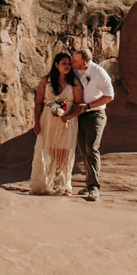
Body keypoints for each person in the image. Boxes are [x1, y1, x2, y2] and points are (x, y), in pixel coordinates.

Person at [30, 50, 80, 196]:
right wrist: (36, 122)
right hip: (48, 120)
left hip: (66, 121)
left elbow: (78, 103)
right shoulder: (47, 81)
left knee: (63, 152)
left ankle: (62, 184)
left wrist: (69, 116)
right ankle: (48, 182)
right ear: (56, 65)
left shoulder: (74, 83)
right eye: (63, 63)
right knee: (49, 150)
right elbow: (39, 102)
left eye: (69, 64)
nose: (67, 66)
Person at [69, 45, 114, 201]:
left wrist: (88, 106)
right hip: (79, 115)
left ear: (84, 63)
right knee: (83, 149)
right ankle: (88, 184)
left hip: (95, 114)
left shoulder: (99, 74)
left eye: (75, 60)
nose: (71, 62)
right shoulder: (73, 70)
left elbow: (109, 96)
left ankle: (94, 187)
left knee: (92, 147)